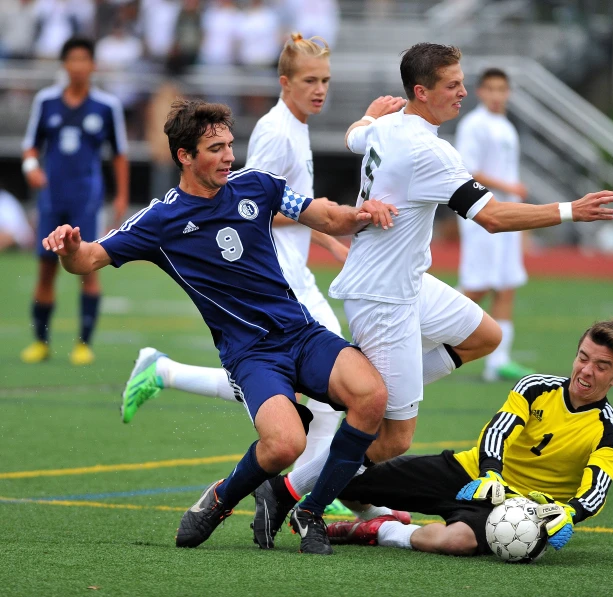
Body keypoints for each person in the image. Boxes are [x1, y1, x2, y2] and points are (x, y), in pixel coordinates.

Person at [251, 42, 613, 547]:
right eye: (453, 85)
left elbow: (358, 135)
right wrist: (569, 211)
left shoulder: (391, 124)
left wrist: (368, 116)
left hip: (407, 283)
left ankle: (365, 380)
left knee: (484, 334)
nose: (463, 92)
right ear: (421, 92)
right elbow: (491, 217)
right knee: (394, 436)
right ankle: (290, 494)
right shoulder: (430, 150)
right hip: (383, 297)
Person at [42, 98, 398, 556]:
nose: (229, 156)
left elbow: (326, 216)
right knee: (286, 443)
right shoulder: (160, 219)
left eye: (230, 145)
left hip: (300, 333)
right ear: (185, 157)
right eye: (215, 148)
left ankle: (311, 512)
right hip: (251, 354)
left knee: (372, 397)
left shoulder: (258, 186)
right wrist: (69, 247)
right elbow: (87, 259)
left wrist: (362, 212)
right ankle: (221, 498)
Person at [121, 33, 391, 523]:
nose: (320, 89)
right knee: (319, 397)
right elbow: (241, 208)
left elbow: (288, 201)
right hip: (273, 275)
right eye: (310, 80)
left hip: (295, 268)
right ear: (284, 82)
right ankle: (304, 489)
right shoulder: (275, 132)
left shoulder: (296, 126)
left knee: (321, 394)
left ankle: (167, 374)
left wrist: (329, 232)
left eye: (326, 79)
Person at [326, 320, 613, 558]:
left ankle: (381, 530)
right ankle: (378, 513)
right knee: (345, 482)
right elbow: (499, 430)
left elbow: (596, 488)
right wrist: (491, 472)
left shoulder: (610, 430)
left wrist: (571, 512)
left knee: (454, 541)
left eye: (601, 366)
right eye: (583, 357)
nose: (586, 370)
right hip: (473, 475)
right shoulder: (536, 387)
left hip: (519, 511)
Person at [20, 36, 129, 366]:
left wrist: (121, 196)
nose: (79, 66)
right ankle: (41, 342)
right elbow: (30, 146)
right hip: (52, 198)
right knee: (45, 269)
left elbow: (120, 154)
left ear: (93, 65)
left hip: (87, 199)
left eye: (85, 59)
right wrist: (31, 169)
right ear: (64, 65)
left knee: (89, 266)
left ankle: (84, 344)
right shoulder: (46, 101)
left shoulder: (107, 106)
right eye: (72, 59)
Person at [455, 68, 533, 382]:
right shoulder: (474, 125)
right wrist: (509, 187)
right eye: (491, 88)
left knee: (507, 283)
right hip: (482, 215)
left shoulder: (506, 127)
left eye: (502, 88)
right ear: (480, 91)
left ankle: (498, 361)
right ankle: (424, 334)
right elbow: (468, 169)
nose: (497, 95)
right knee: (478, 284)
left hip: (507, 216)